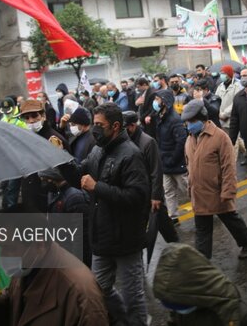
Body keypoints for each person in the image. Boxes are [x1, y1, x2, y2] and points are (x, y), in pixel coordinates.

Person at [63, 103, 150, 325]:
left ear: (115, 126)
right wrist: (61, 158)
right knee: (97, 290)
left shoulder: (131, 155)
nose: (95, 129)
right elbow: (77, 177)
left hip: (125, 239)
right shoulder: (97, 150)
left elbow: (136, 197)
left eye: (100, 125)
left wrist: (97, 187)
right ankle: (122, 319)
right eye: (94, 124)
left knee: (133, 297)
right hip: (101, 238)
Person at [0, 208, 108, 325]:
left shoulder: (80, 292)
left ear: (39, 244)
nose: (4, 255)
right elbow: (17, 311)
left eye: (10, 248)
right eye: (1, 247)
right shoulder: (27, 267)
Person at [182, 99, 247, 260]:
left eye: (192, 121)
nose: (188, 125)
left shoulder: (220, 137)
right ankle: (203, 263)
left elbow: (228, 167)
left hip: (218, 191)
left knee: (232, 221)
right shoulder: (189, 139)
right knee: (202, 230)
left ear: (203, 119)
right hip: (199, 193)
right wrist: (190, 187)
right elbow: (189, 166)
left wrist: (228, 190)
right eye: (187, 122)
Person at [124, 110, 179, 243]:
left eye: (125, 127)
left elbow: (156, 171)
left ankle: (177, 250)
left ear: (132, 126)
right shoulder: (126, 142)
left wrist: (155, 196)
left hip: (151, 195)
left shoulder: (147, 142)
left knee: (165, 227)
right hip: (137, 194)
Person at [154, 89, 188, 223]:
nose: (155, 102)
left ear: (165, 101)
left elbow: (181, 141)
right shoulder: (160, 117)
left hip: (176, 162)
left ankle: (203, 208)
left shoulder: (174, 119)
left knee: (187, 189)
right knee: (168, 191)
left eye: (158, 99)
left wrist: (173, 159)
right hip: (165, 162)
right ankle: (173, 216)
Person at [216, 65, 242, 132]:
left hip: (231, 119)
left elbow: (236, 102)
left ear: (229, 74)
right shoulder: (220, 86)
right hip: (220, 120)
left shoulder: (238, 86)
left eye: (224, 73)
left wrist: (225, 114)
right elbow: (216, 100)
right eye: (221, 73)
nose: (222, 75)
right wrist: (218, 113)